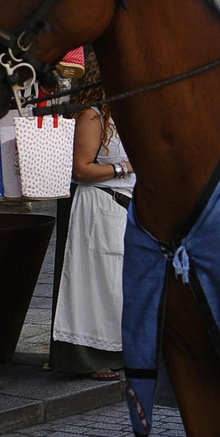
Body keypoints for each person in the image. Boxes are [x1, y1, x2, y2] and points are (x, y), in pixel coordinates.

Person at [52, 87, 135, 379]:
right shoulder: (92, 115)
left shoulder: (126, 111)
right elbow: (81, 170)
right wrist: (125, 167)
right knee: (93, 282)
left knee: (116, 282)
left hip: (124, 206)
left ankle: (120, 350)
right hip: (97, 203)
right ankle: (87, 358)